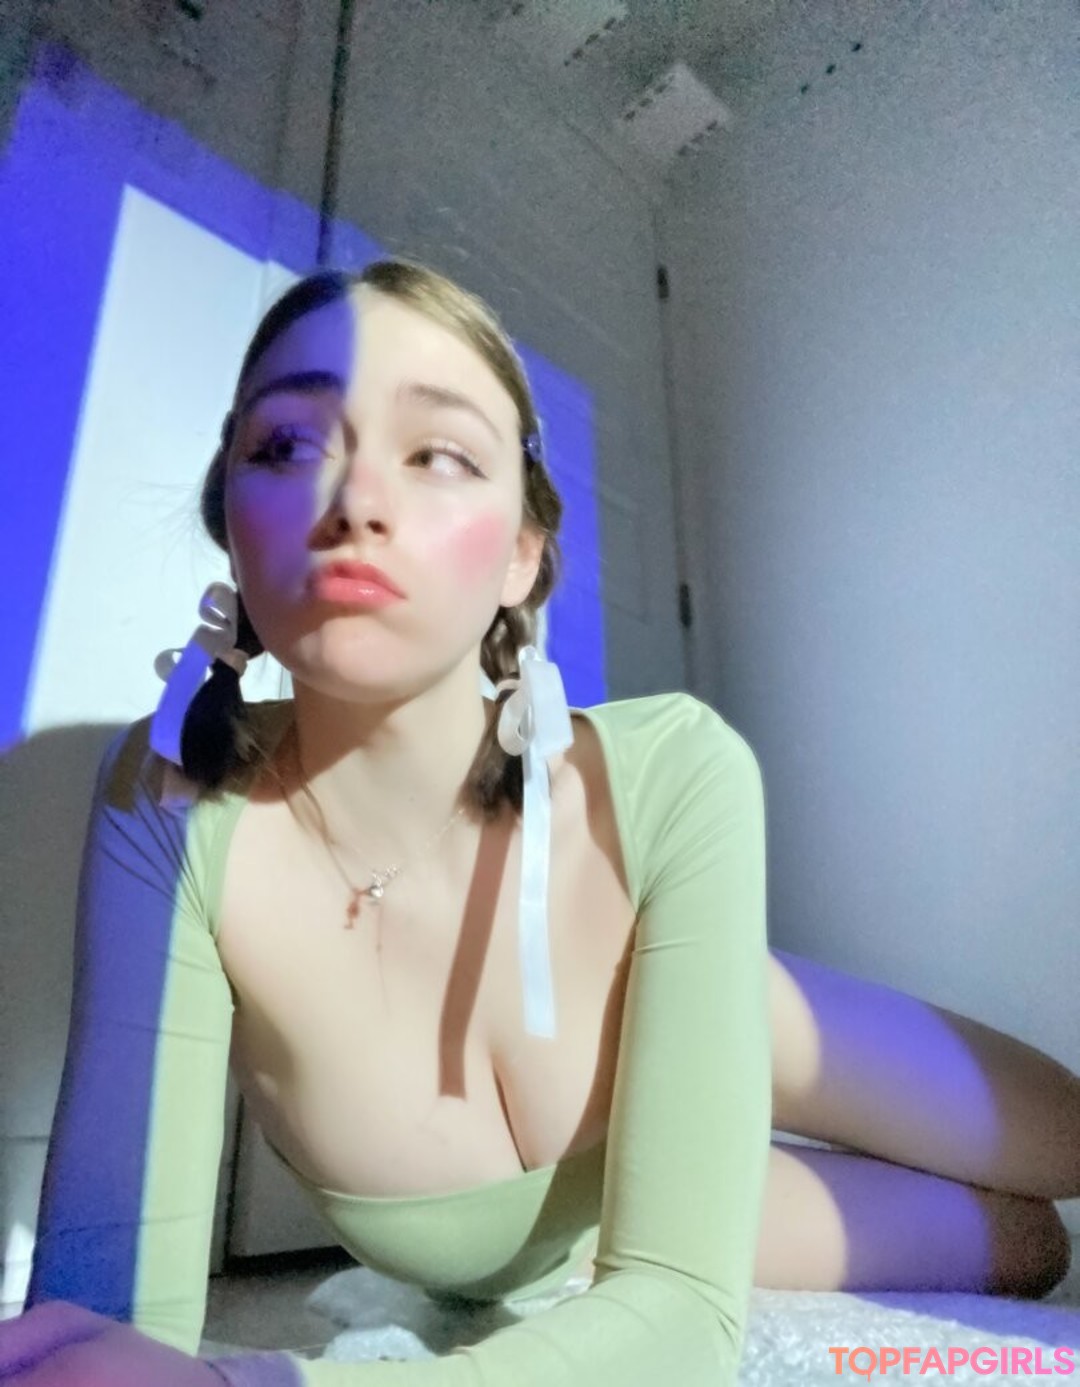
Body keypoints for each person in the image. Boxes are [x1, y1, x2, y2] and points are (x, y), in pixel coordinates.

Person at [4, 259, 1077, 1386]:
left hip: (730, 1017)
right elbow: (101, 1322)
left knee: (1063, 1138)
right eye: (287, 445)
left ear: (523, 551)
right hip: (580, 1237)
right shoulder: (169, 800)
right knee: (1030, 1245)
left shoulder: (670, 770)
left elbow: (686, 1327)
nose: (355, 501)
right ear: (231, 518)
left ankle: (707, 1013)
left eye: (438, 454)